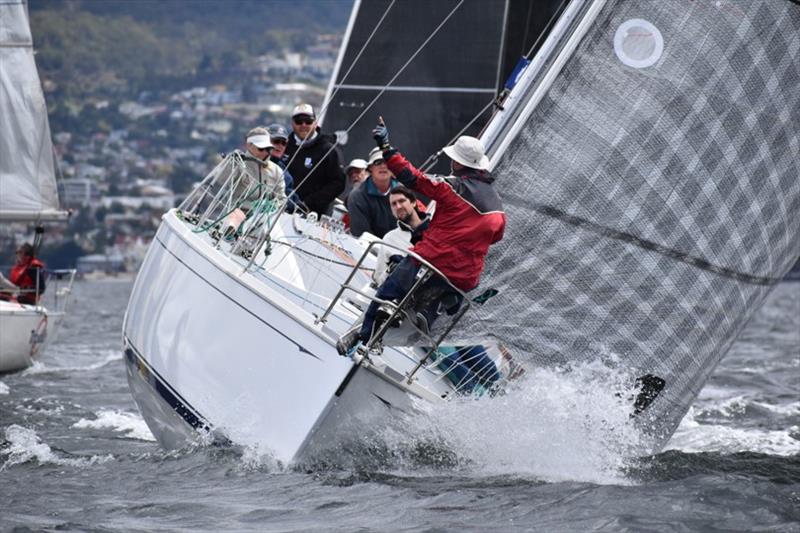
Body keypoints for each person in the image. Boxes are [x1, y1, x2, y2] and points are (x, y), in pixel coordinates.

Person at [337, 123, 505, 355]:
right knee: (437, 289)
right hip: (465, 277)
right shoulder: (498, 206)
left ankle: (363, 336)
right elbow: (496, 237)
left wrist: (386, 148)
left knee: (388, 290)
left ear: (457, 163)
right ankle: (430, 309)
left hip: (432, 260)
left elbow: (411, 177)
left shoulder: (452, 187)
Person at [224, 127, 287, 237]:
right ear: (248, 145)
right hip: (239, 211)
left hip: (263, 218)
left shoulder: (277, 171)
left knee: (263, 225)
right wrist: (229, 164)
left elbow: (282, 199)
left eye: (268, 149)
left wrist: (271, 205)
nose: (264, 153)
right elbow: (221, 180)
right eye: (261, 149)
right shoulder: (239, 163)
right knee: (237, 215)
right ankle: (228, 234)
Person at [285, 104, 345, 216]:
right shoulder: (284, 145)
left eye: (308, 121)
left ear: (315, 123)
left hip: (313, 215)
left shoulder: (328, 150)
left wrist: (309, 203)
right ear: (292, 123)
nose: (303, 125)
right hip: (282, 210)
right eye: (299, 121)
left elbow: (338, 183)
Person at [372, 185, 430, 285]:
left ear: (413, 202)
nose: (398, 207)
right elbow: (379, 279)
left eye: (402, 201)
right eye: (393, 204)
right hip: (403, 296)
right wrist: (392, 270)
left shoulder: (436, 228)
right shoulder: (389, 239)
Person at [346, 147, 400, 238]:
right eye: (378, 162)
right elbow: (361, 235)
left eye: (387, 161)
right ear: (370, 168)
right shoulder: (356, 197)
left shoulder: (404, 192)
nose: (383, 166)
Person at [267, 123, 302, 211]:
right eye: (276, 141)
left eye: (284, 143)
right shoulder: (249, 160)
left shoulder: (284, 172)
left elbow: (291, 196)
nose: (280, 145)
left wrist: (300, 207)